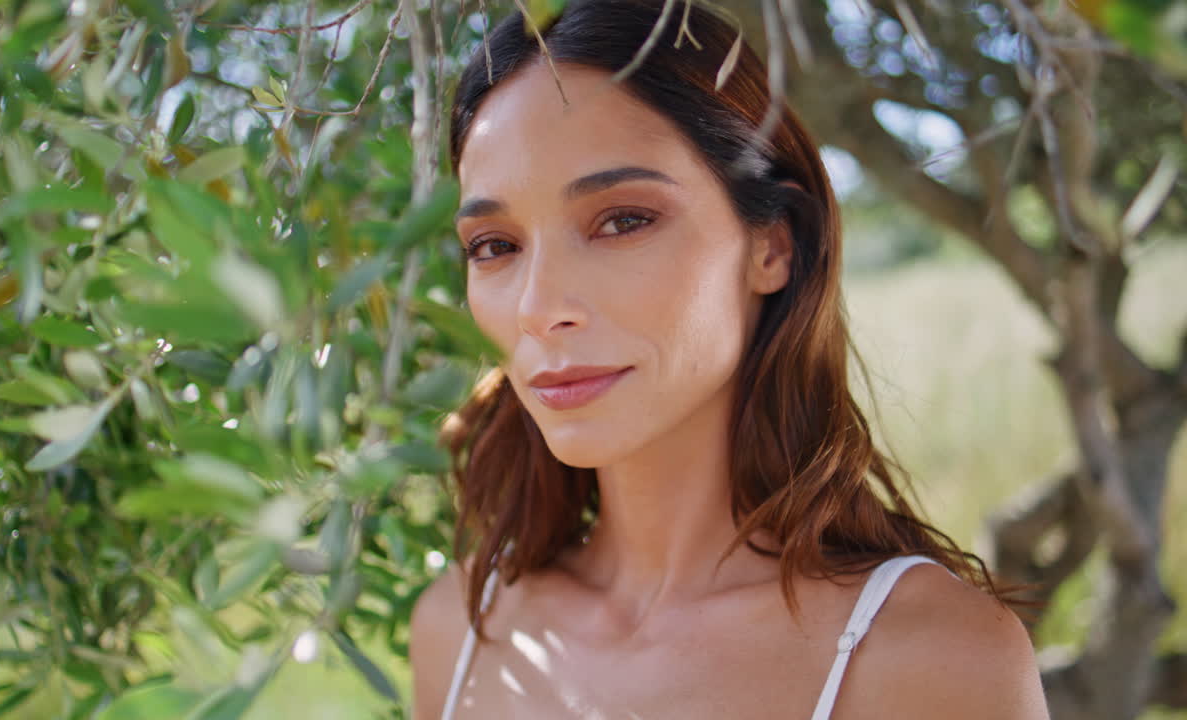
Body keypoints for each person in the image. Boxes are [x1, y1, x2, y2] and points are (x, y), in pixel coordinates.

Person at [410, 1, 1051, 718]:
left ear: (770, 245)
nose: (538, 307)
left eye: (622, 221)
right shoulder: (460, 630)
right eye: (495, 246)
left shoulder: (931, 659)